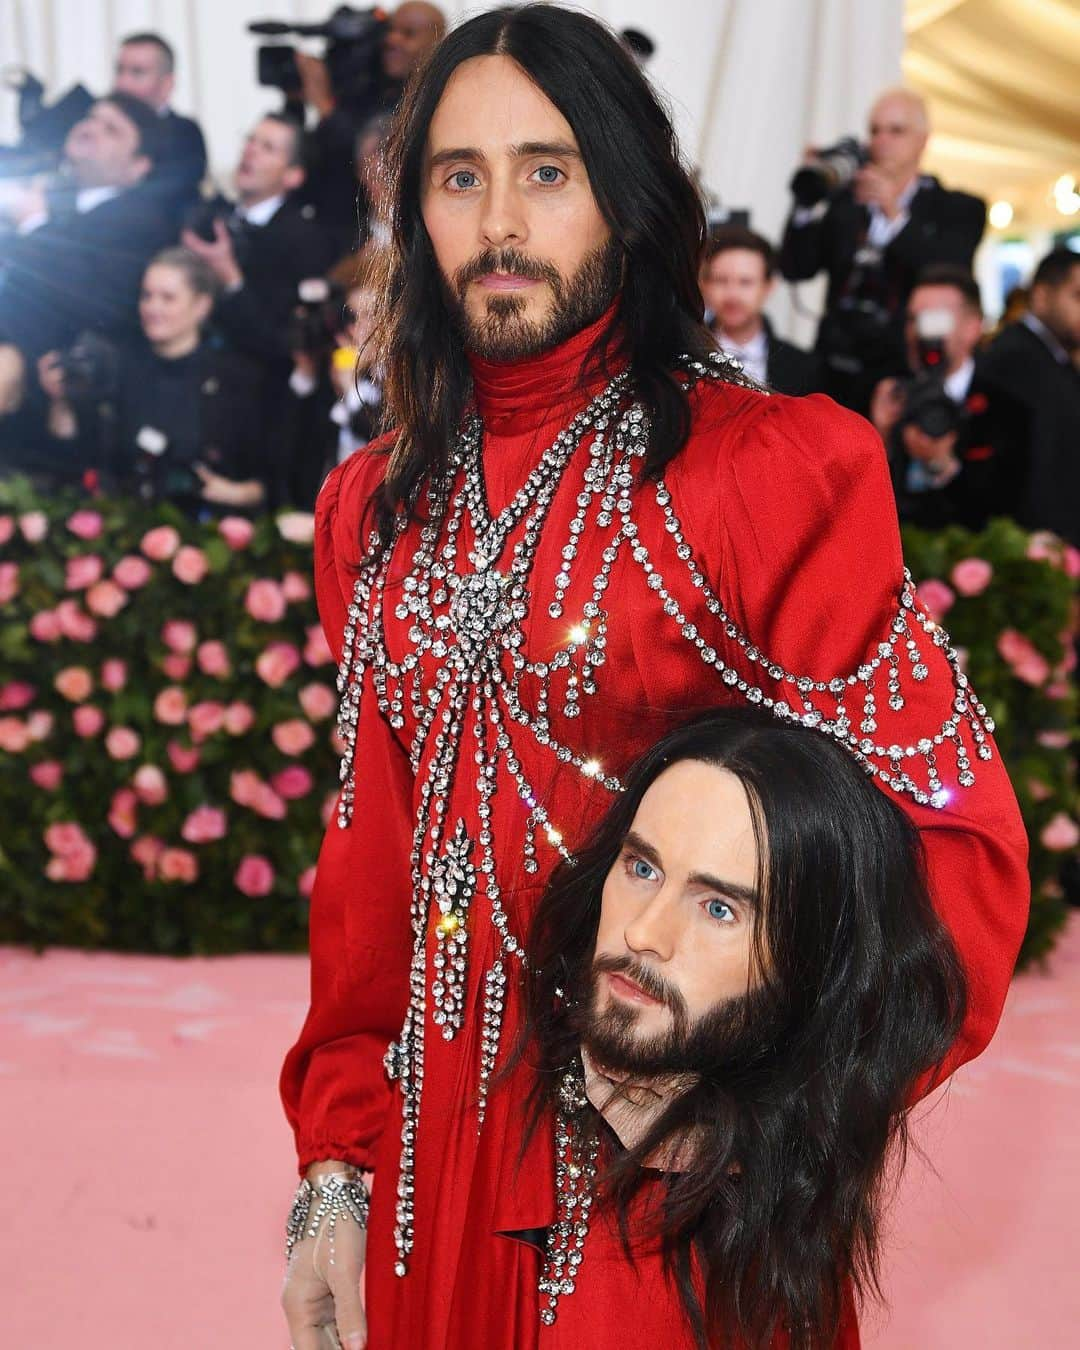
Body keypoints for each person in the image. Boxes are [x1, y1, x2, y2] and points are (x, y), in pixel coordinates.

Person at [277, 9, 1027, 1350]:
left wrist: (757, 1109)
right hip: (428, 1177)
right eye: (459, 175)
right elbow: (370, 865)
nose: (499, 218)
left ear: (627, 199)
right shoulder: (372, 511)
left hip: (661, 1199)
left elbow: (951, 846)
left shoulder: (768, 471)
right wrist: (333, 1165)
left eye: (547, 169)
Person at [512, 705, 966, 1346]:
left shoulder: (755, 1225)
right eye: (641, 869)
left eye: (718, 908)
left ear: (805, 969)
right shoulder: (500, 1066)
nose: (644, 933)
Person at [779, 88, 986, 413]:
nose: (882, 140)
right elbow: (795, 267)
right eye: (874, 130)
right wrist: (807, 199)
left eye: (896, 130)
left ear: (923, 140)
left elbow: (951, 270)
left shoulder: (958, 208)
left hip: (906, 369)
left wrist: (895, 216)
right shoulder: (847, 204)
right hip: (836, 368)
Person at [36, 248, 268, 512]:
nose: (153, 308)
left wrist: (233, 493)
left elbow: (265, 483)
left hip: (205, 531)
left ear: (202, 305)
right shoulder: (116, 365)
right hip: (121, 524)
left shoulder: (235, 377)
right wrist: (61, 400)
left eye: (168, 298)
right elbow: (71, 452)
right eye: (147, 296)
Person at [181, 113, 336, 504]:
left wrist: (230, 280)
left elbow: (284, 340)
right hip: (197, 392)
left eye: (268, 148)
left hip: (262, 411)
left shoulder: (305, 237)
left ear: (293, 175)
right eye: (251, 140)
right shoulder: (213, 218)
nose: (250, 151)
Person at [0, 94, 175, 402]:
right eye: (91, 118)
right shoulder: (48, 191)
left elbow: (94, 301)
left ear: (138, 166)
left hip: (54, 364)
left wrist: (35, 224)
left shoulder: (142, 222)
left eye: (111, 129)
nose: (90, 128)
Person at [870, 264, 1028, 530]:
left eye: (934, 319)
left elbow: (1007, 508)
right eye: (912, 320)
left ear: (973, 327)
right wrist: (878, 438)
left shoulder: (1006, 406)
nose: (919, 332)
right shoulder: (884, 394)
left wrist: (944, 466)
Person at [298, 2, 447, 255]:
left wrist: (324, 107)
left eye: (408, 34)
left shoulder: (435, 100)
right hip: (332, 229)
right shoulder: (368, 86)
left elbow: (364, 157)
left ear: (437, 42)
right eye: (390, 30)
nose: (392, 40)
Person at [981, 247, 1080, 545]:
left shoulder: (1052, 356)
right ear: (1040, 296)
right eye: (1077, 296)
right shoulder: (1018, 357)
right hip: (1037, 544)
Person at [700, 225, 821, 395]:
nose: (733, 295)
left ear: (768, 286)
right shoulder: (683, 358)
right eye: (721, 280)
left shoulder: (802, 367)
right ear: (704, 285)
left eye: (745, 282)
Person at [113, 30, 207, 209]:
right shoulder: (92, 124)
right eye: (119, 71)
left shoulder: (184, 133)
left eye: (137, 72)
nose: (122, 83)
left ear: (166, 84)